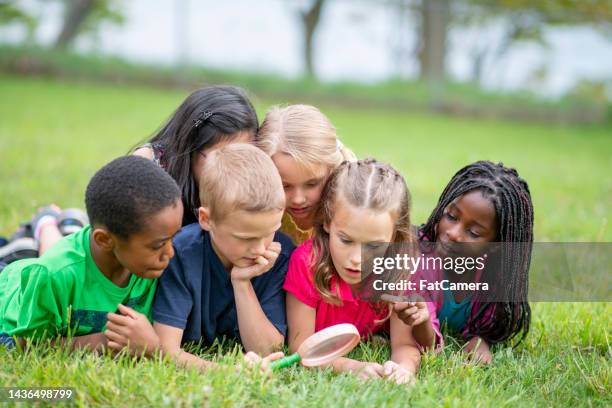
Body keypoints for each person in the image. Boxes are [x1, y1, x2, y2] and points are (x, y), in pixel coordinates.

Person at [2, 85, 259, 262]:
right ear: (191, 147)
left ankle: (70, 221)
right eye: (220, 156)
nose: (233, 166)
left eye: (244, 156)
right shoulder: (150, 165)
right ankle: (47, 223)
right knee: (63, 260)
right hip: (120, 248)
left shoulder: (251, 180)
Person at [0, 156, 183, 355]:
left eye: (173, 238)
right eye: (158, 245)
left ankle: (58, 222)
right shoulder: (53, 274)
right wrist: (101, 342)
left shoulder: (150, 264)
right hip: (10, 304)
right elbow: (26, 345)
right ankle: (45, 223)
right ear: (105, 240)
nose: (170, 253)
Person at [283, 159, 436, 385]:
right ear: (326, 222)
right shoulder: (306, 263)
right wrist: (351, 367)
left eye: (374, 246)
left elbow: (404, 344)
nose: (356, 259)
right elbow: (300, 346)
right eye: (345, 240)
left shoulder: (399, 267)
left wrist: (404, 369)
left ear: (394, 238)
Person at [153, 144, 295, 370]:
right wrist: (228, 371)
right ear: (206, 219)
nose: (259, 249)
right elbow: (166, 350)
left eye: (269, 233)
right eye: (245, 237)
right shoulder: (180, 253)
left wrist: (242, 282)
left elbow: (268, 351)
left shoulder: (281, 253)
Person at [397, 160, 534, 364]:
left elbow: (489, 328)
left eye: (473, 232)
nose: (453, 234)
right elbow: (424, 342)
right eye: (451, 216)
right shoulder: (417, 259)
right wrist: (423, 322)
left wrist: (479, 340)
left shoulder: (495, 277)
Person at [257, 104, 355, 245]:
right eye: (284, 186)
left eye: (312, 184)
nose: (298, 199)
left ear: (332, 169)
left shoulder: (356, 208)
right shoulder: (254, 210)